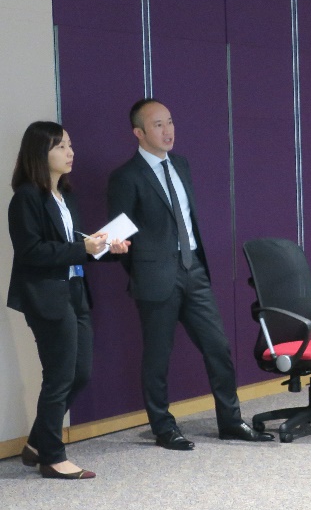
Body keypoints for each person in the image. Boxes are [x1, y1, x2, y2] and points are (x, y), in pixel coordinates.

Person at [107, 99, 272, 450]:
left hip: (194, 269)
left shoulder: (181, 164)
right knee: (157, 356)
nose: (168, 131)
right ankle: (163, 427)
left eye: (170, 122)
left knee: (218, 347)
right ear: (138, 132)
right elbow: (118, 237)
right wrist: (146, 271)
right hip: (156, 277)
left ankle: (230, 421)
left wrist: (189, 261)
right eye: (158, 125)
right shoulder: (125, 177)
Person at [7, 122, 130, 479]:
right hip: (46, 296)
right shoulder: (27, 198)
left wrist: (108, 247)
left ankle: (36, 442)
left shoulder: (66, 197)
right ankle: (52, 457)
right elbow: (32, 252)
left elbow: (77, 248)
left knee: (80, 373)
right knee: (60, 375)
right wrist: (83, 247)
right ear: (39, 153)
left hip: (75, 291)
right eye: (61, 147)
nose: (70, 152)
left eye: (70, 145)